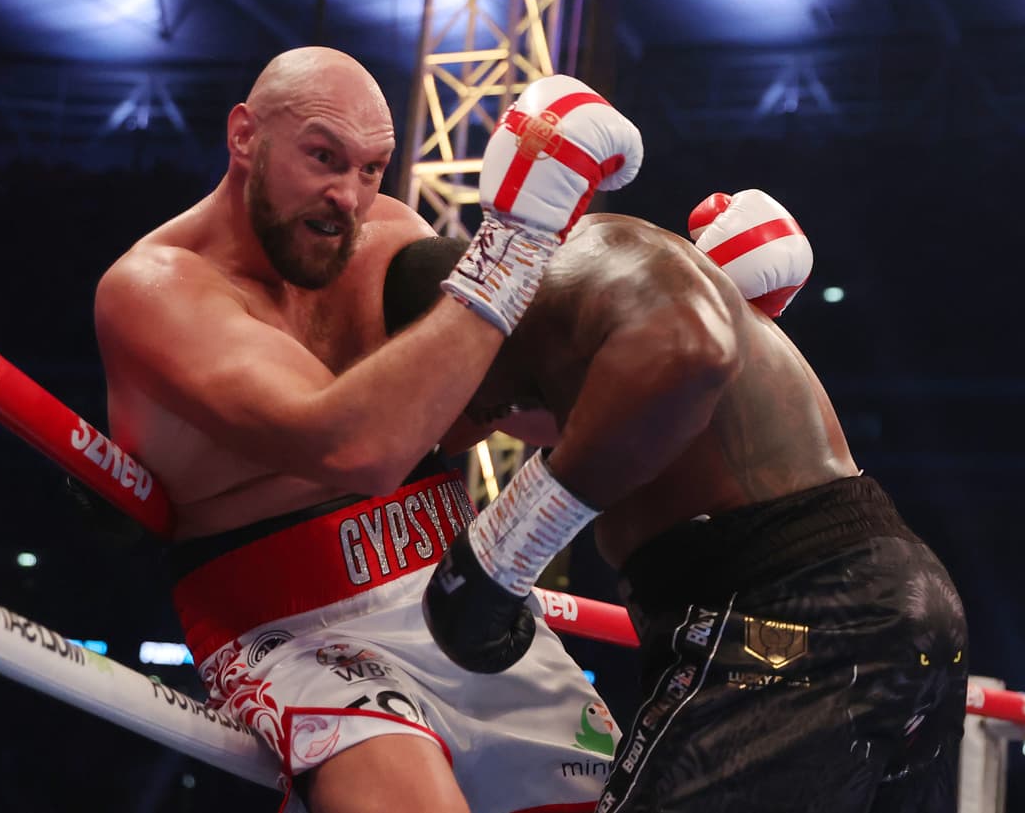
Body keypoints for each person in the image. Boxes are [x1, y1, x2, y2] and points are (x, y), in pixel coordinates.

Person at [93, 46, 643, 813]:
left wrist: (661, 329)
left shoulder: (383, 236)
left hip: (449, 584)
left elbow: (487, 409)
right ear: (245, 135)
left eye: (371, 168)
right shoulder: (156, 289)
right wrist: (514, 244)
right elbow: (354, 448)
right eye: (323, 157)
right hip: (292, 624)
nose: (347, 195)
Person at [394, 190, 968, 812]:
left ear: (457, 329)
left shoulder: (590, 253)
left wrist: (513, 539)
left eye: (436, 385)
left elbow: (692, 351)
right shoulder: (586, 362)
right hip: (875, 604)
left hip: (795, 611)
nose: (463, 420)